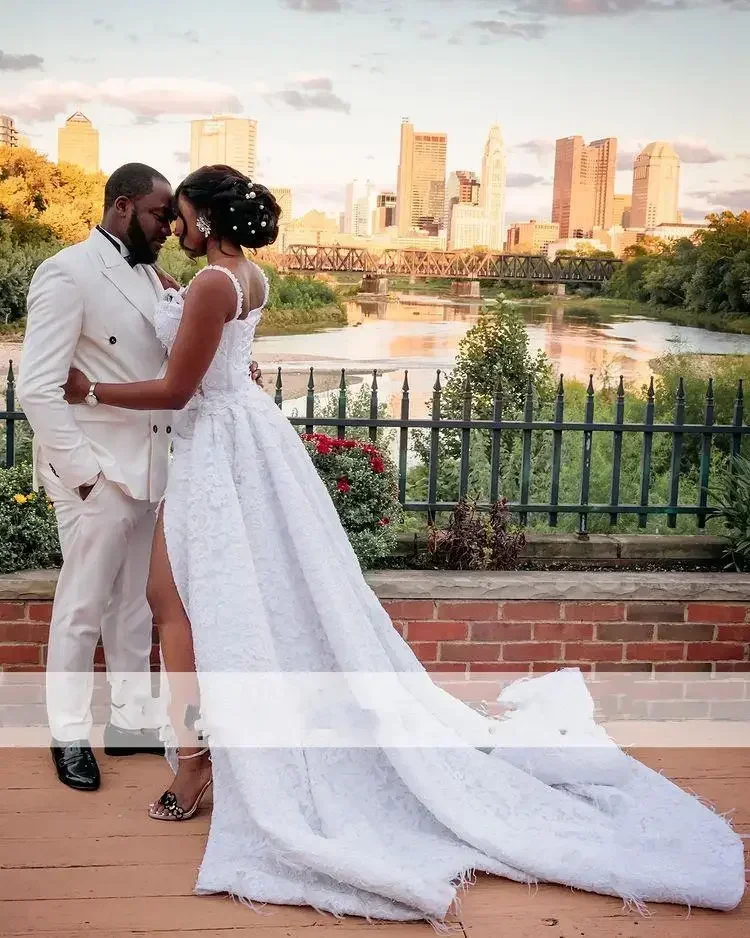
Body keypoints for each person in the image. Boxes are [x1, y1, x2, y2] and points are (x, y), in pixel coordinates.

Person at [62, 164, 744, 924]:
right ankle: (208, 753)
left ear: (210, 220)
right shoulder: (248, 278)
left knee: (175, 609)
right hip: (242, 439)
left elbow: (178, 390)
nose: (178, 229)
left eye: (185, 217)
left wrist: (92, 391)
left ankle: (193, 767)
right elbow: (225, 362)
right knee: (201, 603)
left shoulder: (216, 283)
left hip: (217, 451)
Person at [18, 162, 263, 792]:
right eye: (160, 215)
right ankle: (69, 732)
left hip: (156, 468)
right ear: (124, 207)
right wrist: (81, 477)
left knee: (134, 607)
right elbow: (37, 388)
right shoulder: (66, 273)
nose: (169, 227)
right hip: (95, 472)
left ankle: (129, 720)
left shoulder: (159, 276)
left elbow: (180, 356)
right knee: (81, 606)